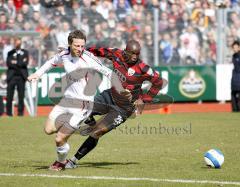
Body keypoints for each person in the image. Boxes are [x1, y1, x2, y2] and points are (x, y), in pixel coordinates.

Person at [27, 30, 126, 171]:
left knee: (59, 139)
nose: (80, 49)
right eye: (77, 46)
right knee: (48, 130)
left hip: (82, 106)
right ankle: (77, 126)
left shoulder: (89, 58)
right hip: (66, 101)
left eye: (82, 46)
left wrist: (121, 88)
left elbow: (107, 72)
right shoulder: (64, 55)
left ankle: (60, 162)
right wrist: (37, 74)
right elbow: (51, 62)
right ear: (70, 44)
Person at [65, 40, 166, 169]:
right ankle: (89, 119)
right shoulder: (116, 54)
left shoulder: (144, 68)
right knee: (85, 109)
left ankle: (73, 160)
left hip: (124, 108)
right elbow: (97, 51)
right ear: (125, 51)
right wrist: (74, 51)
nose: (135, 56)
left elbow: (158, 82)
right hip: (109, 96)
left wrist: (144, 99)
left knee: (97, 132)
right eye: (132, 53)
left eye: (137, 54)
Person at [6, 37, 29, 116]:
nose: (17, 44)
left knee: (21, 96)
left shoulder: (25, 52)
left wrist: (15, 62)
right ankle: (9, 113)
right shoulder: (10, 53)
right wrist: (20, 63)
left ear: (21, 43)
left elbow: (25, 63)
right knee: (9, 96)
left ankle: (20, 113)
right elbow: (9, 63)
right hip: (11, 77)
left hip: (21, 77)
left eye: (19, 43)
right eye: (16, 43)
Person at [231, 40, 240, 112]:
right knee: (233, 93)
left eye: (236, 47)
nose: (234, 49)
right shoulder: (233, 56)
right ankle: (234, 109)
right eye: (233, 47)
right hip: (234, 77)